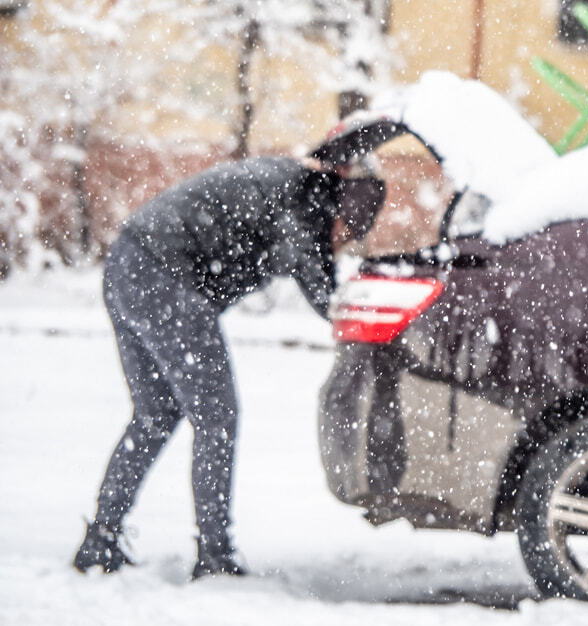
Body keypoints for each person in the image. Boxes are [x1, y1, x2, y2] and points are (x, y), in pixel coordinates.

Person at [72, 154, 385, 578]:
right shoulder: (301, 203)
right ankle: (215, 554)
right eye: (347, 231)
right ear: (343, 206)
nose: (342, 242)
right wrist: (363, 320)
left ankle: (102, 537)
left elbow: (311, 258)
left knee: (155, 415)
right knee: (216, 417)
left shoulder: (296, 189)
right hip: (166, 275)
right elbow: (320, 285)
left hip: (129, 263)